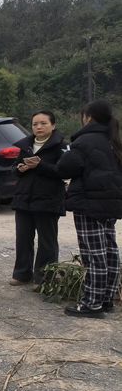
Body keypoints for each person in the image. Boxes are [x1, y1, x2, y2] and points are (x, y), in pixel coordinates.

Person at [57, 100, 122, 318]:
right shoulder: (113, 139)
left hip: (89, 204)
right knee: (110, 251)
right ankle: (106, 300)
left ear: (89, 117)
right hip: (111, 203)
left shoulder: (85, 140)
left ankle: (92, 304)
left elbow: (65, 167)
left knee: (94, 255)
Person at [9, 111, 66, 286]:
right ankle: (22, 274)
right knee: (23, 239)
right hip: (24, 198)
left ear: (53, 125)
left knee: (47, 241)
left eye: (43, 123)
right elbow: (14, 169)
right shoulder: (26, 145)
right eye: (35, 124)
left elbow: (63, 171)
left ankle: (44, 278)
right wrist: (19, 168)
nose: (39, 127)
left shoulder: (61, 147)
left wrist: (40, 165)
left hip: (48, 199)